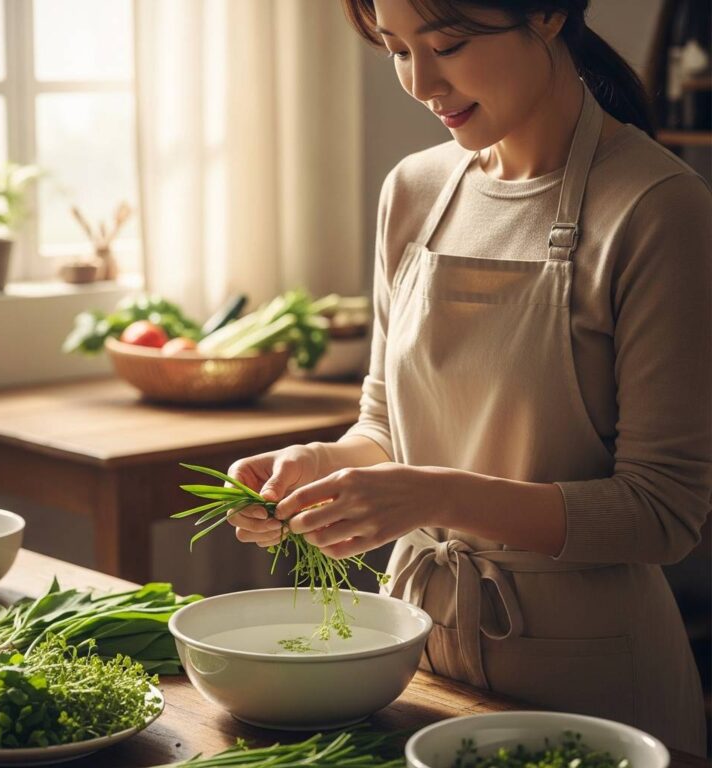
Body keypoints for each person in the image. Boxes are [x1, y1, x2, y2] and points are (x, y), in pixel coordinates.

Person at [227, 0, 712, 755]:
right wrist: (320, 466)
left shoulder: (659, 208)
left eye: (448, 45)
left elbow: (662, 512)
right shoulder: (413, 190)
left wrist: (434, 495)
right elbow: (386, 424)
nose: (422, 84)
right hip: (413, 655)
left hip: (594, 682)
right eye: (397, 50)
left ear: (547, 14)